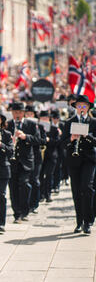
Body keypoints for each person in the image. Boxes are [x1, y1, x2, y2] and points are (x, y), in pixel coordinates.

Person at [61, 95, 96, 234]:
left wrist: (86, 135)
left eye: (84, 106)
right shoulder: (69, 122)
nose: (81, 109)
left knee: (87, 188)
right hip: (74, 160)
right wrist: (71, 138)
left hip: (89, 160)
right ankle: (79, 221)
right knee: (76, 191)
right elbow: (62, 143)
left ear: (88, 108)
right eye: (79, 106)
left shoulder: (93, 122)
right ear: (76, 107)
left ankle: (88, 221)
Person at [6, 102, 40, 223]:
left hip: (26, 161)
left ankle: (25, 211)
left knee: (24, 184)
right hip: (12, 161)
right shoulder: (7, 124)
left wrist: (26, 137)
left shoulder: (31, 124)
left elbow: (38, 140)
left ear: (24, 113)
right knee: (13, 187)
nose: (17, 115)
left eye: (20, 112)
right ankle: (17, 213)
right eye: (15, 112)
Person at [39, 110, 60, 204]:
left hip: (51, 155)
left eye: (46, 118)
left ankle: (48, 194)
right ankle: (41, 195)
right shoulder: (37, 128)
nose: (44, 120)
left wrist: (49, 140)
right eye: (42, 118)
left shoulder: (54, 129)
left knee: (49, 175)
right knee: (40, 175)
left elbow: (57, 142)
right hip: (40, 156)